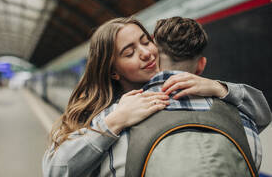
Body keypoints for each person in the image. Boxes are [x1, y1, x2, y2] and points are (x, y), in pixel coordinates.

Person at [42, 17, 271, 177]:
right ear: (113, 71)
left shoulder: (202, 92)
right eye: (129, 52)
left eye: (146, 41)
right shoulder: (112, 117)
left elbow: (262, 113)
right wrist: (116, 121)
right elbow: (55, 169)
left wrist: (220, 88)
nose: (146, 53)